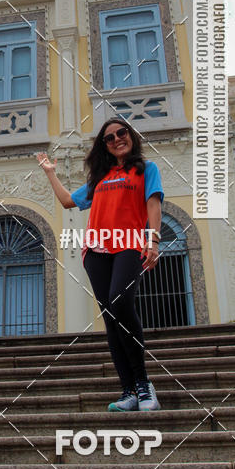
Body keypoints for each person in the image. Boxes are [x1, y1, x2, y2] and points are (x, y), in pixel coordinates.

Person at [37, 117, 163, 411]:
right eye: (109, 137)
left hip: (129, 244)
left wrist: (153, 241)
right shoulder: (100, 178)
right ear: (104, 146)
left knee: (121, 303)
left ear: (131, 136)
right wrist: (51, 174)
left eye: (122, 133)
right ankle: (128, 390)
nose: (117, 139)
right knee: (110, 318)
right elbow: (69, 201)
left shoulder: (145, 169)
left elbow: (154, 204)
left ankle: (144, 384)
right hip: (96, 250)